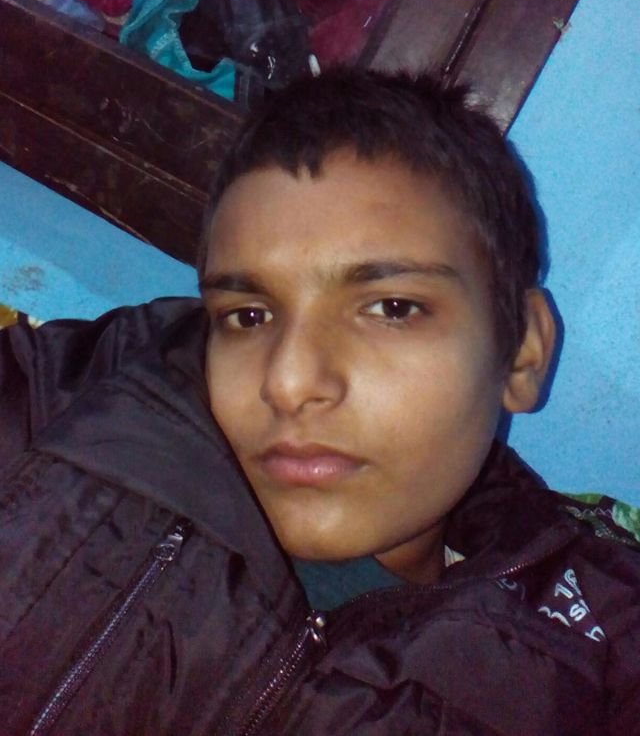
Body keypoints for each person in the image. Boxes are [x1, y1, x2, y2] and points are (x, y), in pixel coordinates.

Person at [1, 69, 638, 736]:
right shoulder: (80, 405)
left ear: (523, 351)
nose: (288, 381)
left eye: (392, 308)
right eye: (248, 316)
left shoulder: (592, 655)